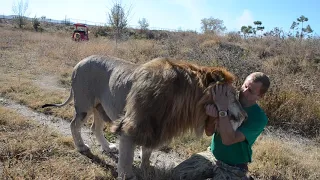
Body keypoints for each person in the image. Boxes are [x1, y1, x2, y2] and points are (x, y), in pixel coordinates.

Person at [172, 72, 270, 180]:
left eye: (250, 91)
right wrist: (212, 117)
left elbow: (228, 139)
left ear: (260, 96)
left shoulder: (259, 118)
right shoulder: (228, 98)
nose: (244, 91)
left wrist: (222, 110)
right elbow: (209, 132)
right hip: (211, 155)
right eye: (245, 86)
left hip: (234, 167)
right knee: (176, 175)